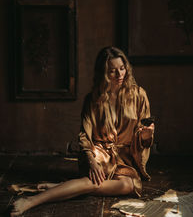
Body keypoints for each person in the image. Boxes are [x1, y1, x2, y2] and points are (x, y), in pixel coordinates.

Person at [10, 46, 154, 217]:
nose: (120, 74)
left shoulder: (139, 95)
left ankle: (68, 187)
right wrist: (92, 161)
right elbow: (85, 135)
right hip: (97, 155)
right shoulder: (93, 99)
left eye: (122, 68)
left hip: (124, 158)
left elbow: (142, 136)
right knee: (96, 181)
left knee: (129, 186)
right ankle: (31, 202)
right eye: (113, 71)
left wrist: (146, 135)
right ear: (103, 74)